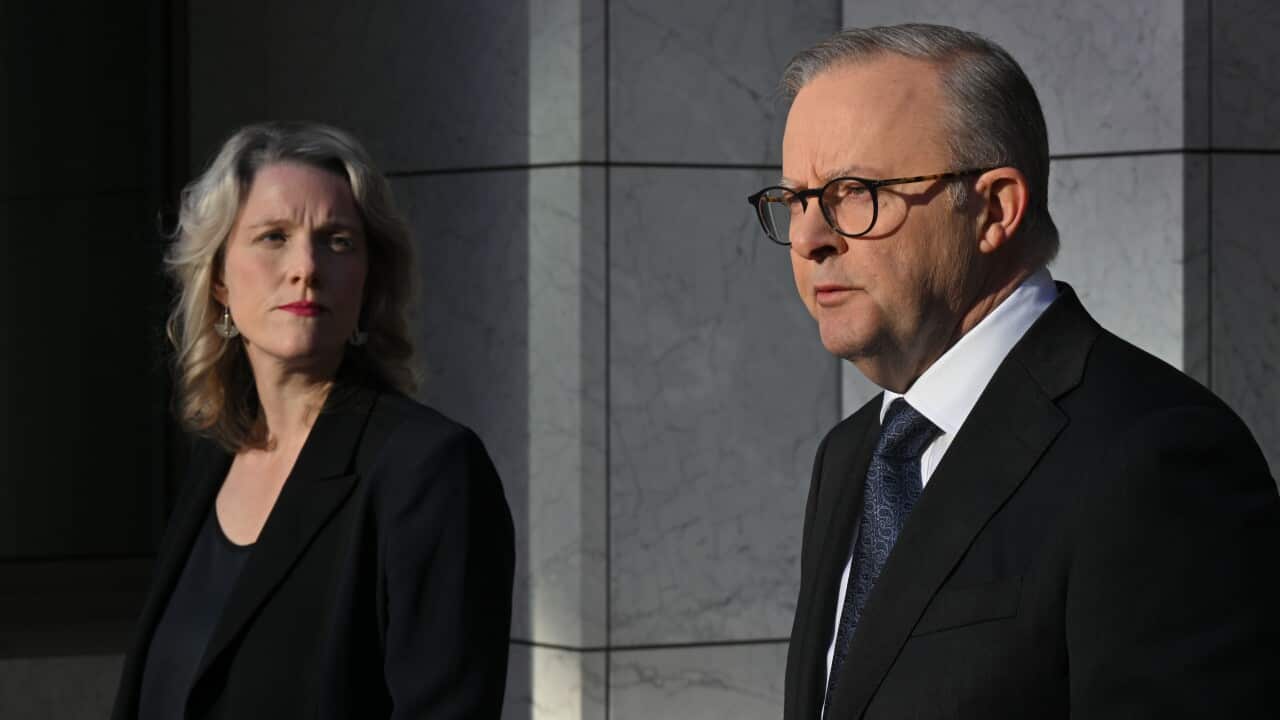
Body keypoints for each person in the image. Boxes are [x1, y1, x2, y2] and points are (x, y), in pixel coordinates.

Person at [747, 24, 1280, 719]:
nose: (812, 239)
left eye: (853, 192)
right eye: (796, 201)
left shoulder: (1154, 456)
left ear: (994, 209)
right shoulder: (852, 454)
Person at [112, 122, 515, 718]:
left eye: (337, 241)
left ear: (368, 280)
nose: (306, 266)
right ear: (220, 279)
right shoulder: (218, 458)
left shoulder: (428, 471)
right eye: (273, 237)